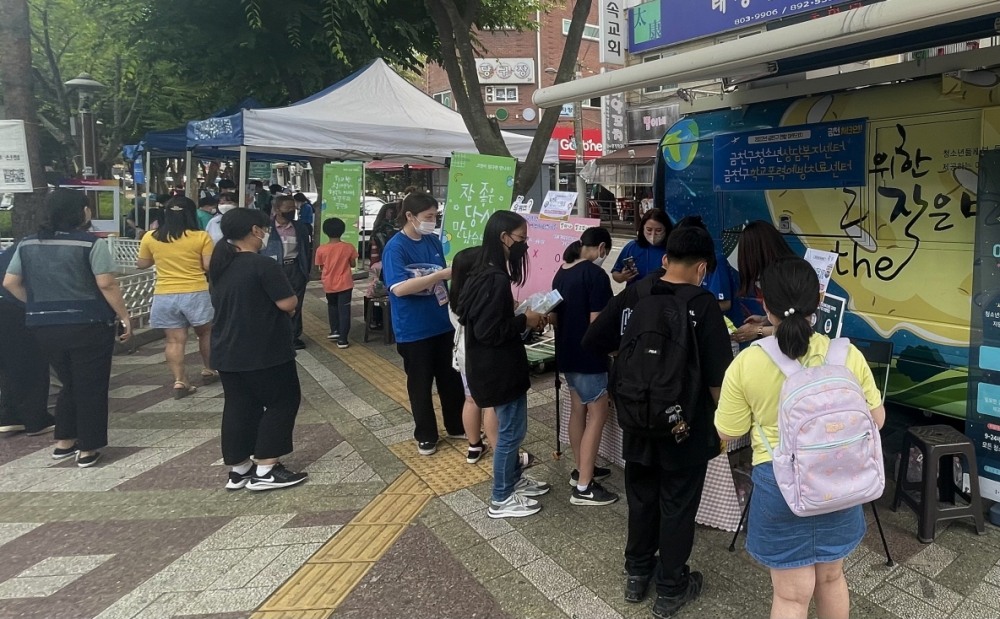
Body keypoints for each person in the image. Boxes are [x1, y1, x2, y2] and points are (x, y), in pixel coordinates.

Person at [715, 257, 884, 619]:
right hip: (840, 482)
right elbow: (877, 419)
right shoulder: (846, 355)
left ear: (765, 305)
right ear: (818, 300)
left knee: (791, 597)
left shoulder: (747, 363)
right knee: (832, 578)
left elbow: (729, 431)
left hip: (778, 485)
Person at [582, 225, 732, 617]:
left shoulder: (638, 291)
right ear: (702, 267)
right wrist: (724, 426)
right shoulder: (704, 306)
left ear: (666, 259)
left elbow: (593, 339)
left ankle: (637, 573)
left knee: (642, 497)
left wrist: (633, 369)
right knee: (677, 505)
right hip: (685, 426)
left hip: (636, 417)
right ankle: (671, 587)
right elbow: (718, 383)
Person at [3, 189, 132, 468]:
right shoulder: (90, 244)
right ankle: (88, 448)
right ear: (81, 211)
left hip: (43, 326)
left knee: (69, 382)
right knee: (90, 385)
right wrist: (124, 316)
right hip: (88, 324)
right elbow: (106, 284)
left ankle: (64, 441)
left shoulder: (27, 244)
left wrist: (35, 304)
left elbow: (10, 282)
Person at [457, 210, 551, 519]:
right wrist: (525, 320)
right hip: (498, 369)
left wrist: (520, 316)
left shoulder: (485, 271)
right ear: (504, 237)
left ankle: (513, 480)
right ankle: (500, 497)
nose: (525, 245)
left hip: (494, 367)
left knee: (513, 430)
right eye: (522, 238)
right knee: (511, 433)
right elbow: (489, 331)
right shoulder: (494, 278)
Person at [209, 207, 307, 491]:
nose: (265, 233)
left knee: (239, 405)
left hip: (226, 349)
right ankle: (266, 468)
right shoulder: (263, 265)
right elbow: (288, 303)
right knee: (282, 401)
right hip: (264, 349)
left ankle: (239, 469)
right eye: (264, 229)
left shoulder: (220, 265)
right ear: (254, 230)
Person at [381, 191, 465, 456]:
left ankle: (456, 425)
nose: (432, 221)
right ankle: (426, 435)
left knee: (450, 379)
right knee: (420, 384)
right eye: (428, 216)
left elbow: (441, 282)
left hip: (442, 323)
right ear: (410, 216)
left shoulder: (432, 241)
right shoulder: (395, 247)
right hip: (413, 329)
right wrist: (438, 275)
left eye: (435, 216)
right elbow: (398, 288)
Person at [550, 226, 618, 506]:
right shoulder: (595, 276)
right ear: (601, 248)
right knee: (598, 414)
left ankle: (581, 468)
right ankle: (584, 487)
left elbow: (554, 317)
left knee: (578, 409)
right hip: (589, 357)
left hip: (566, 354)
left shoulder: (562, 271)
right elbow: (597, 325)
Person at [136, 196, 217, 397]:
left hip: (165, 294)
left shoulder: (151, 237)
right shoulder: (201, 237)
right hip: (195, 291)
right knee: (205, 333)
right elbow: (208, 265)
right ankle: (209, 369)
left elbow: (142, 263)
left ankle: (180, 381)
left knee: (174, 341)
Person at [447, 247, 498, 464]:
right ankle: (501, 453)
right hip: (481, 357)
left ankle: (474, 446)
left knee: (471, 400)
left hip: (464, 356)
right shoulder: (478, 297)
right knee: (491, 404)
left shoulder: (454, 297)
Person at [0, 240, 54, 436]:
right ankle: (35, 419)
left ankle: (10, 416)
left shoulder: (13, 250)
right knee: (32, 365)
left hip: (3, 309)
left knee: (8, 366)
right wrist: (34, 306)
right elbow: (10, 283)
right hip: (17, 310)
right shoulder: (35, 249)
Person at [731, 220, 796, 345]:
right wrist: (765, 320)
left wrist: (758, 330)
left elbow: (795, 327)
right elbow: (788, 316)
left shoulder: (784, 277)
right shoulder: (787, 269)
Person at [262, 194, 312, 350]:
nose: (292, 210)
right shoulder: (266, 228)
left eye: (294, 208)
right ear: (277, 210)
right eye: (288, 208)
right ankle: (275, 335)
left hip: (295, 268)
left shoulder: (300, 227)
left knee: (296, 303)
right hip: (275, 269)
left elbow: (306, 250)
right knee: (273, 303)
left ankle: (293, 336)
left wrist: (305, 271)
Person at [314, 217, 358, 349]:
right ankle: (343, 339)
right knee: (344, 310)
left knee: (332, 306)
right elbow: (353, 264)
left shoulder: (321, 249)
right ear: (342, 230)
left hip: (329, 283)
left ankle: (335, 330)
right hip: (345, 283)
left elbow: (321, 267)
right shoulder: (348, 247)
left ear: (325, 231)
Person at [611, 208, 673, 285]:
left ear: (666, 229)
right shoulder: (632, 247)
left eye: (658, 230)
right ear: (642, 228)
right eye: (649, 230)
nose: (653, 234)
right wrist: (622, 277)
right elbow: (615, 273)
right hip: (635, 291)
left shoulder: (672, 249)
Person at [365, 201, 401, 330]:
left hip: (378, 266)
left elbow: (372, 253)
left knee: (379, 292)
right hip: (388, 265)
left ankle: (377, 320)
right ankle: (387, 321)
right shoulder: (394, 231)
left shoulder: (378, 229)